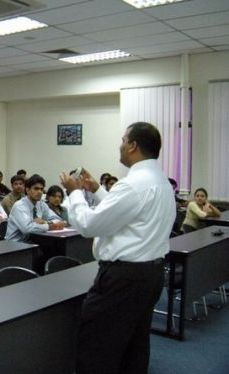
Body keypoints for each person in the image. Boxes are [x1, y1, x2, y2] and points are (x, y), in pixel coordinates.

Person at [60, 122, 176, 374]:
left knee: (98, 348)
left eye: (123, 140)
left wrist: (75, 193)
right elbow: (130, 215)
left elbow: (90, 225)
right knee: (134, 346)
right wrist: (97, 190)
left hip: (123, 279)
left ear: (133, 145)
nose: (120, 145)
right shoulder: (161, 182)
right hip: (151, 274)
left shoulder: (132, 184)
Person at [5, 175, 63, 241]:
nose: (39, 192)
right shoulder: (20, 206)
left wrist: (45, 222)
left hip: (32, 241)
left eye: (41, 189)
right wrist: (49, 226)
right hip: (15, 244)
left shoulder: (41, 204)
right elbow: (27, 229)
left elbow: (58, 219)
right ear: (27, 190)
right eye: (36, 189)